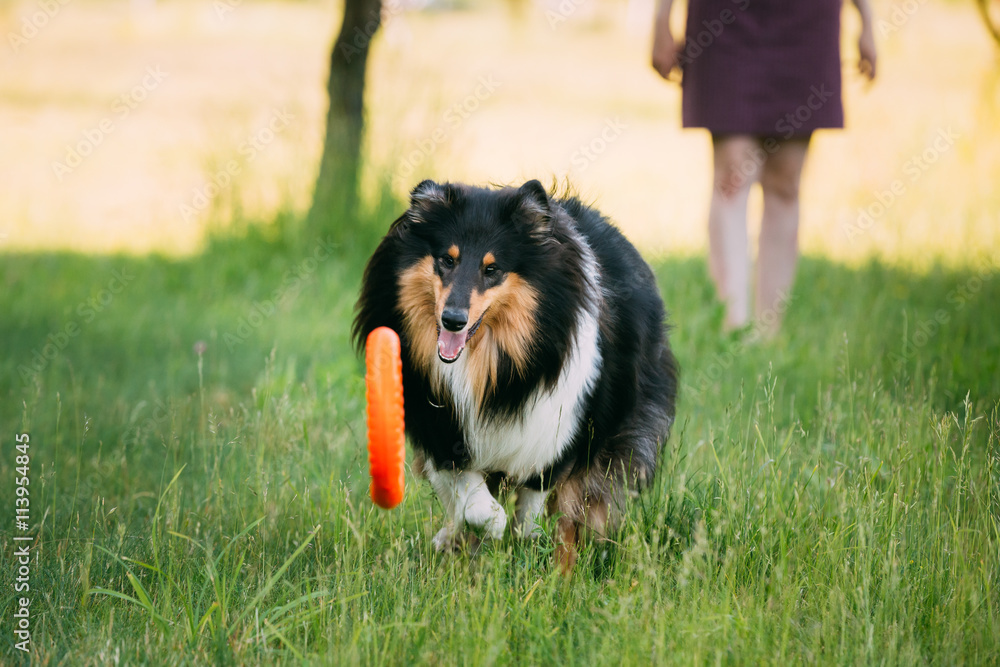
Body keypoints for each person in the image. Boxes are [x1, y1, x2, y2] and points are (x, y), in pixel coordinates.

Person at [651, 0, 876, 335]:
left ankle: (768, 333)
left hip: (806, 19)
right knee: (732, 175)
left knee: (786, 181)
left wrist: (868, 21)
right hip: (724, 18)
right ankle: (734, 328)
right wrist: (661, 18)